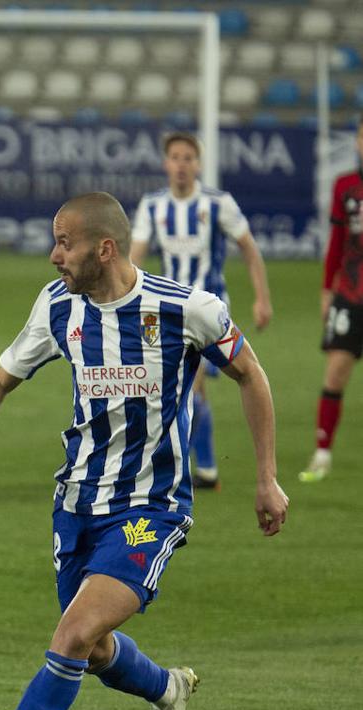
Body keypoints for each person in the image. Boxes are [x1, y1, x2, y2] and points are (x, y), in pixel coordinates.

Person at [0, 192, 288, 710]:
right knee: (91, 649)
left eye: (64, 241)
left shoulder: (186, 308)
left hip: (151, 508)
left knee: (68, 637)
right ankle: (166, 689)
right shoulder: (56, 305)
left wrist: (266, 478)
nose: (53, 253)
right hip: (76, 505)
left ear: (105, 248)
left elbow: (251, 376)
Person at [130, 132, 274, 490]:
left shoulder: (217, 203)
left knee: (189, 388)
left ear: (199, 164)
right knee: (182, 389)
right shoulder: (152, 205)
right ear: (166, 164)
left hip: (209, 310)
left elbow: (249, 249)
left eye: (188, 158)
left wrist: (262, 298)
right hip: (167, 311)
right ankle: (204, 468)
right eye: (175, 157)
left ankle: (184, 469)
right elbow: (134, 258)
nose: (181, 165)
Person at [300, 120, 363, 482]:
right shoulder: (345, 187)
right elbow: (337, 243)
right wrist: (327, 290)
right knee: (336, 371)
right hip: (351, 295)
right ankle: (322, 453)